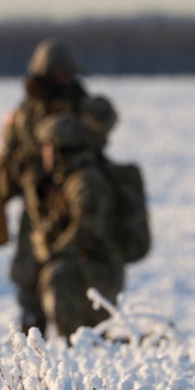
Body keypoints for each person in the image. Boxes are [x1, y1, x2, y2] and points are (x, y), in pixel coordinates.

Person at [14, 112, 125, 338]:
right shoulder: (61, 181)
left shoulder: (85, 182)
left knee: (58, 276)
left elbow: (87, 231)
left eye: (47, 147)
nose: (43, 154)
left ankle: (77, 351)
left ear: (59, 150)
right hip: (84, 268)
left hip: (99, 272)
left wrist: (54, 253)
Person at [0, 38, 89, 246]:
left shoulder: (83, 107)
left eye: (69, 74)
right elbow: (8, 154)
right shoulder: (25, 114)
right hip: (34, 202)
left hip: (72, 199)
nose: (66, 79)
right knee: (27, 271)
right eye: (60, 74)